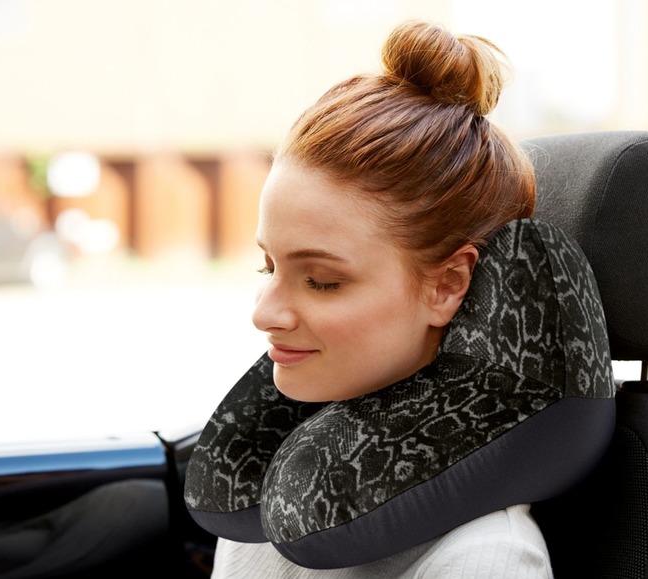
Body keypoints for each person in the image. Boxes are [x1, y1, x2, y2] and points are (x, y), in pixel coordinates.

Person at [211, 19, 553, 578]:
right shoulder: (275, 502)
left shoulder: (482, 561)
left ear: (448, 285)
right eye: (267, 266)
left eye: (322, 281)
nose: (263, 313)